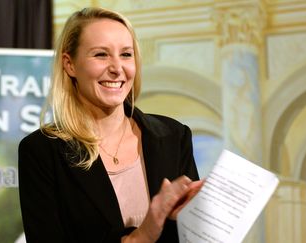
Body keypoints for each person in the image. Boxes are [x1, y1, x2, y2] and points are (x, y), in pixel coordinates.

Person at [18, 7, 203, 243]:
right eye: (101, 55)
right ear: (69, 64)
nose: (117, 68)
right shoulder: (41, 152)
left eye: (126, 54)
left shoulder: (173, 136)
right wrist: (141, 236)